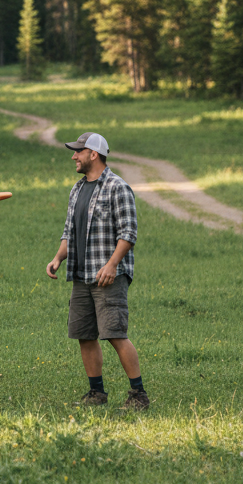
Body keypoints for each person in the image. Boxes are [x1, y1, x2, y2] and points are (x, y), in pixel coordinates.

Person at [45, 132, 149, 410]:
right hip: (81, 273)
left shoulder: (118, 187)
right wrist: (58, 258)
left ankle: (138, 395)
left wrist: (113, 264)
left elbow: (129, 232)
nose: (73, 156)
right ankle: (97, 393)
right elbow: (69, 230)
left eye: (78, 151)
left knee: (115, 333)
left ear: (94, 154)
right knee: (85, 334)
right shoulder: (77, 189)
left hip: (108, 275)